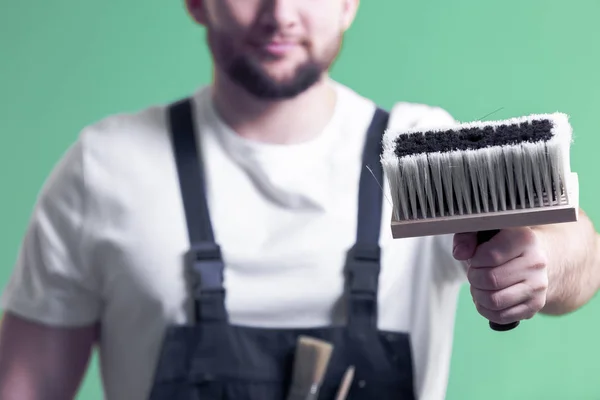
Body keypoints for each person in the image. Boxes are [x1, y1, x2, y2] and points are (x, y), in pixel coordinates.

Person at [1, 0, 599, 399]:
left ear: (349, 3)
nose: (280, 14)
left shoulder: (414, 149)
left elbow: (582, 249)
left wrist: (538, 260)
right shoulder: (109, 166)